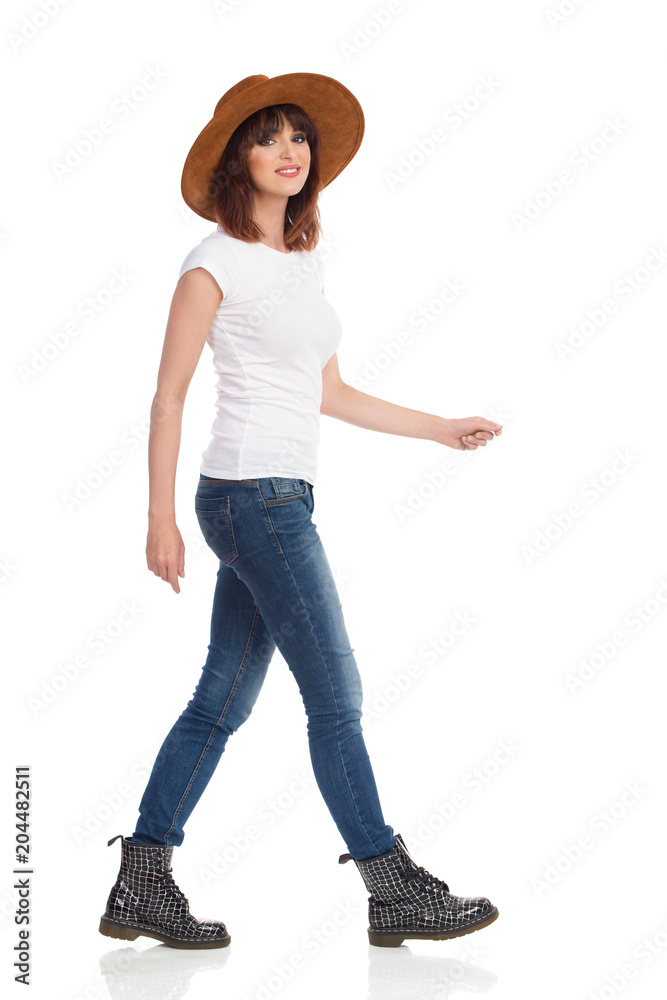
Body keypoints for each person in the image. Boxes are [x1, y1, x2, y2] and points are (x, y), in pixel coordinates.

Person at [98, 72, 503, 951]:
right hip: (252, 500)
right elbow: (167, 398)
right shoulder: (211, 263)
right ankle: (390, 884)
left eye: (298, 138)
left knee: (221, 702)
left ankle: (142, 877)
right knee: (336, 697)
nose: (289, 151)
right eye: (267, 137)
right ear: (235, 162)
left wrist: (438, 428)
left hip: (276, 498)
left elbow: (331, 391)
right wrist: (157, 518)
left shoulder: (299, 264)